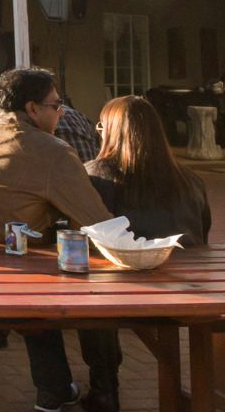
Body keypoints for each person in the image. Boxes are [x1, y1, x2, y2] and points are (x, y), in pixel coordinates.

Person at [0, 67, 112, 412]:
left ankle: (54, 384)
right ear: (32, 109)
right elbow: (98, 224)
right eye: (56, 105)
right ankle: (94, 388)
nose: (61, 113)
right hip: (2, 281)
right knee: (69, 265)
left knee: (29, 249)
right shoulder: (51, 150)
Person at [76, 95, 212, 412]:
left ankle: (105, 389)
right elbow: (202, 235)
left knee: (88, 295)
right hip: (189, 290)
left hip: (121, 292)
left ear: (109, 131)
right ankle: (206, 391)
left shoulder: (94, 175)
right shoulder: (191, 181)